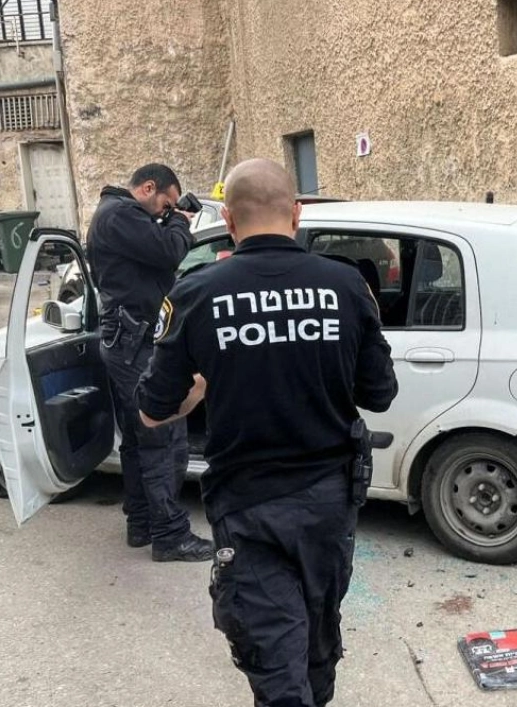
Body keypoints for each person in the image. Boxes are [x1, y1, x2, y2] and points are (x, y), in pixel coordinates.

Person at [136, 158, 398, 707]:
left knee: (277, 664)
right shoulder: (346, 285)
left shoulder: (197, 291)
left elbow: (153, 411)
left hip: (248, 506)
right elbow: (379, 394)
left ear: (228, 219)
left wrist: (205, 384)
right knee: (317, 641)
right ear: (296, 214)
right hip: (329, 503)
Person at [86, 163, 214, 562]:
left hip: (128, 340)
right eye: (165, 202)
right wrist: (181, 222)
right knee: (163, 433)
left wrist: (169, 218)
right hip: (133, 342)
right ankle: (170, 535)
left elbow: (155, 258)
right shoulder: (119, 214)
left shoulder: (118, 217)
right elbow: (170, 252)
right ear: (147, 188)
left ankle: (141, 522)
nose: (168, 211)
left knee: (139, 438)